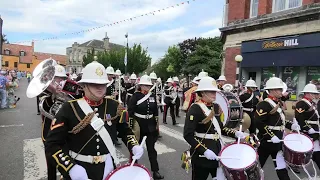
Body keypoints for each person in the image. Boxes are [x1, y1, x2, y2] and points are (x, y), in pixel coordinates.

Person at [45, 61, 144, 180]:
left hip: (108, 168)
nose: (99, 87)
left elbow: (125, 131)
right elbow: (52, 145)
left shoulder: (114, 106)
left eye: (102, 84)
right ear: (84, 85)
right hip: (79, 168)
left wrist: (133, 146)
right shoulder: (69, 108)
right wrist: (70, 167)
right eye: (94, 83)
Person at [184, 76, 246, 180]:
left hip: (217, 151)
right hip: (202, 155)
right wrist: (204, 151)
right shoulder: (195, 109)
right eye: (211, 92)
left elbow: (220, 128)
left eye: (215, 92)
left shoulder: (215, 107)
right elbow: (188, 135)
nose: (214, 94)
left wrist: (234, 133)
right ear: (203, 93)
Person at [255, 76, 300, 180]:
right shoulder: (264, 104)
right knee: (256, 169)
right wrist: (271, 135)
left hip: (278, 141)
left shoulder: (277, 103)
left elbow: (281, 121)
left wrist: (291, 125)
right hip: (266, 142)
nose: (281, 91)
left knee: (281, 168)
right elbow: (259, 123)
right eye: (279, 89)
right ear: (272, 90)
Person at [128, 74, 164, 179]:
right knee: (135, 149)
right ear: (140, 86)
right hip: (139, 125)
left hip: (150, 126)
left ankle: (155, 171)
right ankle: (133, 168)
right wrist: (132, 127)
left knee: (151, 149)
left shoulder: (152, 95)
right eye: (145, 85)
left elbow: (155, 111)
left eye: (148, 86)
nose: (147, 87)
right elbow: (130, 112)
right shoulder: (136, 96)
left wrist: (157, 127)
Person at [39, 64, 67, 180]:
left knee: (66, 161)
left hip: (65, 131)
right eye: (56, 78)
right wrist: (54, 94)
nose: (59, 81)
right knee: (51, 163)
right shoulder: (44, 93)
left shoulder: (67, 92)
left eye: (61, 79)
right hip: (49, 131)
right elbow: (44, 107)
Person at [294, 83, 320, 168]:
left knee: (316, 152)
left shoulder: (311, 103)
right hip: (307, 131)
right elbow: (299, 117)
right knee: (302, 151)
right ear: (307, 93)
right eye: (313, 93)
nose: (315, 95)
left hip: (315, 130)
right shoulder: (301, 103)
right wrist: (307, 128)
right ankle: (295, 164)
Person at [105, 64, 121, 146]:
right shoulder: (103, 82)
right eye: (108, 74)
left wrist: (117, 93)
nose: (110, 76)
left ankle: (115, 138)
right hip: (105, 104)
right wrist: (107, 96)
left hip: (113, 104)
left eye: (111, 74)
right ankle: (107, 137)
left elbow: (119, 91)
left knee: (114, 121)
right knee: (108, 121)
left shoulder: (115, 83)